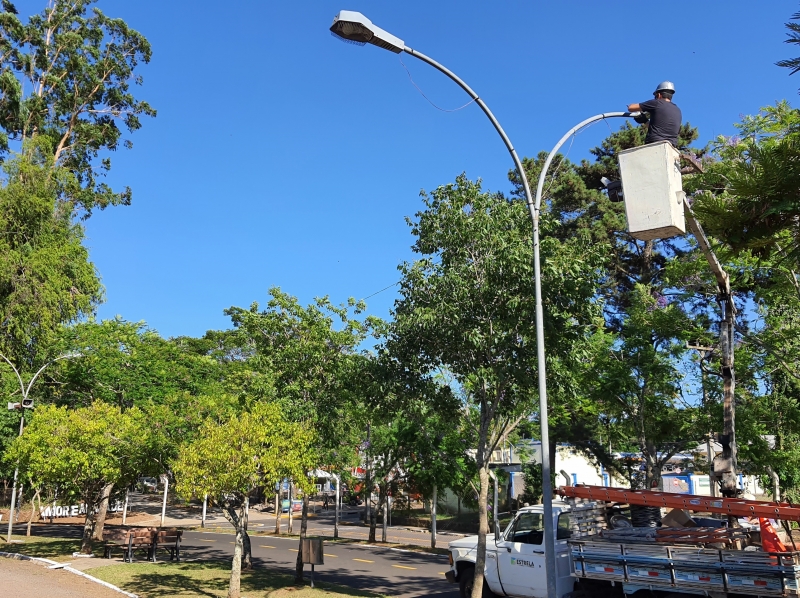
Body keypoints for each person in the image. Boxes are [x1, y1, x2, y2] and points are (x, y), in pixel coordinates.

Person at [628, 81, 682, 147]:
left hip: (654, 144)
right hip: (671, 147)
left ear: (659, 95)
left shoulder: (656, 103)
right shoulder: (677, 110)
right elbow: (659, 129)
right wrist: (645, 121)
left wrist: (638, 113)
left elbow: (631, 108)